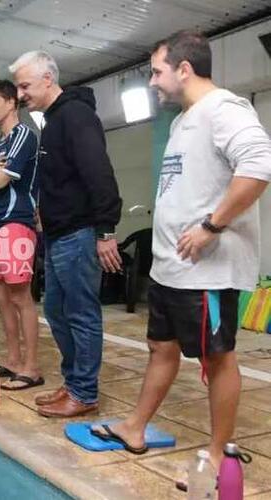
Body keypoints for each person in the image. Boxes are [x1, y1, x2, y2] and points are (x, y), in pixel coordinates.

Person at [89, 31, 271, 482]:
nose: (152, 82)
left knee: (217, 358)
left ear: (184, 69)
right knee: (160, 348)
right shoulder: (181, 121)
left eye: (156, 71)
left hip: (207, 270)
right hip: (173, 267)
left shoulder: (225, 109)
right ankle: (134, 427)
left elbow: (259, 166)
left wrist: (212, 226)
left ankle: (217, 455)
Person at [11, 51, 122, 417]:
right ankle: (74, 382)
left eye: (25, 86)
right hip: (59, 235)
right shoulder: (53, 120)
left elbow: (99, 172)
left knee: (80, 313)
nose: (21, 94)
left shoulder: (75, 115)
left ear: (47, 79)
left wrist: (106, 230)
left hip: (80, 232)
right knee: (57, 310)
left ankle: (85, 392)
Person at [0, 79, 43, 390]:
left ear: (11, 103)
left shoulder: (23, 135)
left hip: (15, 222)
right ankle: (13, 360)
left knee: (19, 295)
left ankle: (31, 367)